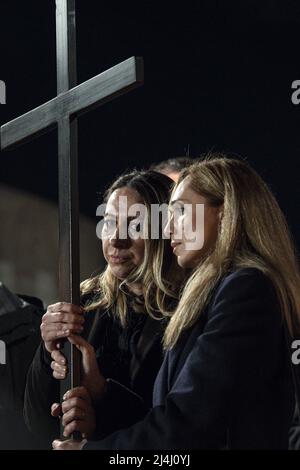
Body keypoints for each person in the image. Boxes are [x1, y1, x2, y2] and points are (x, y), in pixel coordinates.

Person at [52, 155, 300, 450]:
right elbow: (174, 417)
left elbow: (189, 424)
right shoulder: (218, 293)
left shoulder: (247, 288)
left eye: (180, 211)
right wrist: (102, 399)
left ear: (225, 214)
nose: (168, 229)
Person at [24, 170, 183, 446]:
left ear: (165, 231)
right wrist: (48, 354)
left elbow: (179, 432)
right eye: (109, 223)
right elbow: (36, 422)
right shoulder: (85, 301)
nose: (116, 239)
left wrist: (102, 400)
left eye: (136, 226)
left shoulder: (187, 312)